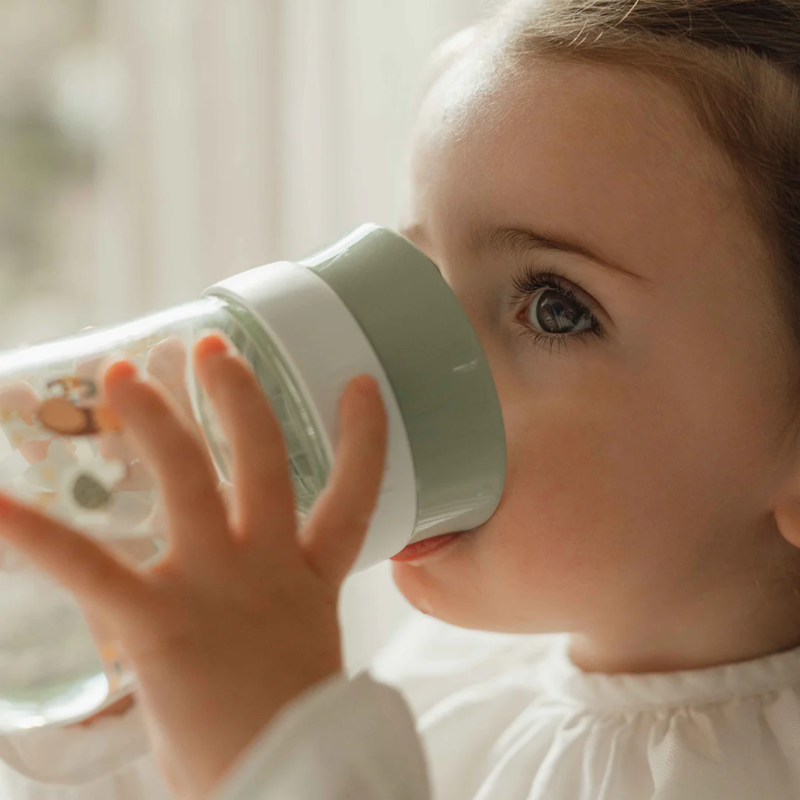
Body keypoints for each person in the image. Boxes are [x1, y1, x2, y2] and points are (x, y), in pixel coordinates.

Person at [2, 0, 800, 797]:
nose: (394, 359)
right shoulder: (466, 672)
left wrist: (285, 752)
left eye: (556, 307)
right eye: (414, 270)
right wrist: (152, 687)